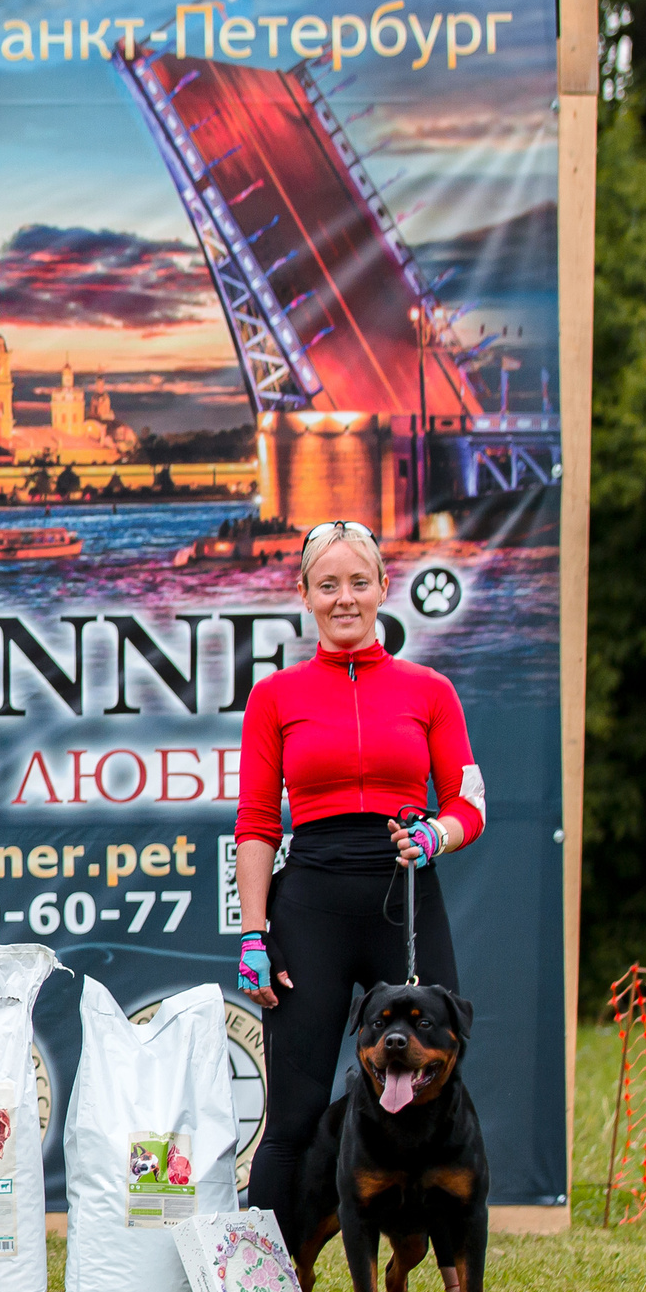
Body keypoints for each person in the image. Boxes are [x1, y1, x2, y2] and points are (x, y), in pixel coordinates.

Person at [235, 520, 484, 1250]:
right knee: (297, 1113)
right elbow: (255, 822)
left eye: (358, 582)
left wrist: (436, 834)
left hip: (405, 898)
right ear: (305, 596)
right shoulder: (276, 696)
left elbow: (469, 803)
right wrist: (255, 932)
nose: (345, 598)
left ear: (382, 588)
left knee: (438, 1104)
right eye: (328, 584)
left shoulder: (429, 689)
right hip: (309, 901)